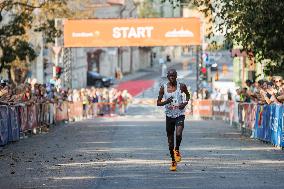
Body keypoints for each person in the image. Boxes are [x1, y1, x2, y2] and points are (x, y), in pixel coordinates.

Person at [157, 69, 190, 171]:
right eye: (170, 76)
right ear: (167, 77)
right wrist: (166, 101)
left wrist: (184, 103)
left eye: (173, 76)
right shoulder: (163, 88)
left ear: (176, 76)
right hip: (169, 116)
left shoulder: (182, 86)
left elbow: (188, 96)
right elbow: (158, 103)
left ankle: (177, 150)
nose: (172, 77)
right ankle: (173, 161)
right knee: (170, 142)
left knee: (179, 134)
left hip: (179, 115)